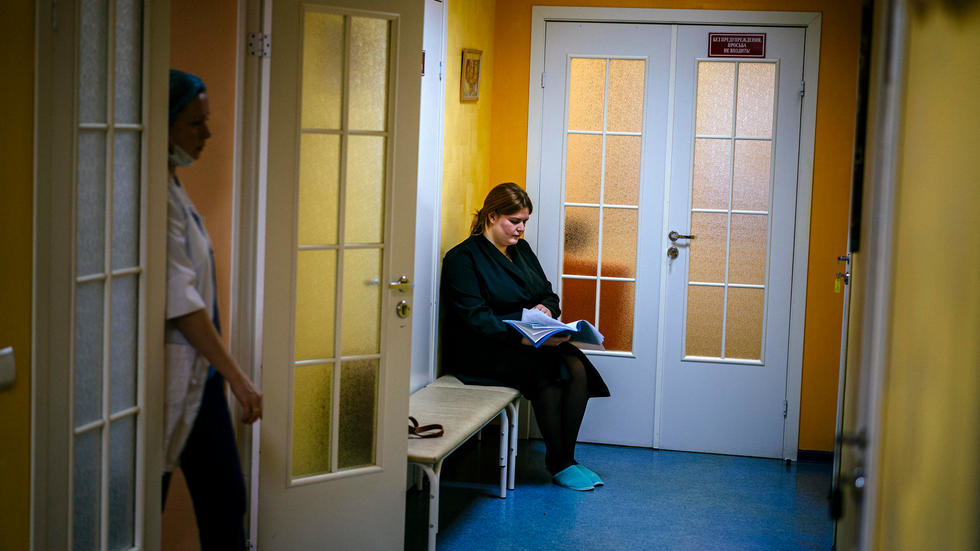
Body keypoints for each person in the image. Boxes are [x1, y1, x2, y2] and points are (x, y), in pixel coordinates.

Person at [440, 182, 610, 491]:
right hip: (482, 350)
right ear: (491, 216)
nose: (520, 230)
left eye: (524, 222)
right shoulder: (462, 258)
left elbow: (549, 294)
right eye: (514, 221)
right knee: (547, 371)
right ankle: (558, 462)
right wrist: (523, 338)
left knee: (577, 367)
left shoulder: (522, 251)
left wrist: (545, 309)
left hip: (525, 342)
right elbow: (475, 319)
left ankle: (566, 458)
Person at [163, 69, 262, 549]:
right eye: (194, 123)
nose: (207, 134)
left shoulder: (172, 186)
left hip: (197, 377)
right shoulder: (154, 198)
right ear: (162, 123)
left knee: (225, 500)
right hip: (172, 376)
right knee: (150, 500)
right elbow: (182, 304)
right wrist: (238, 380)